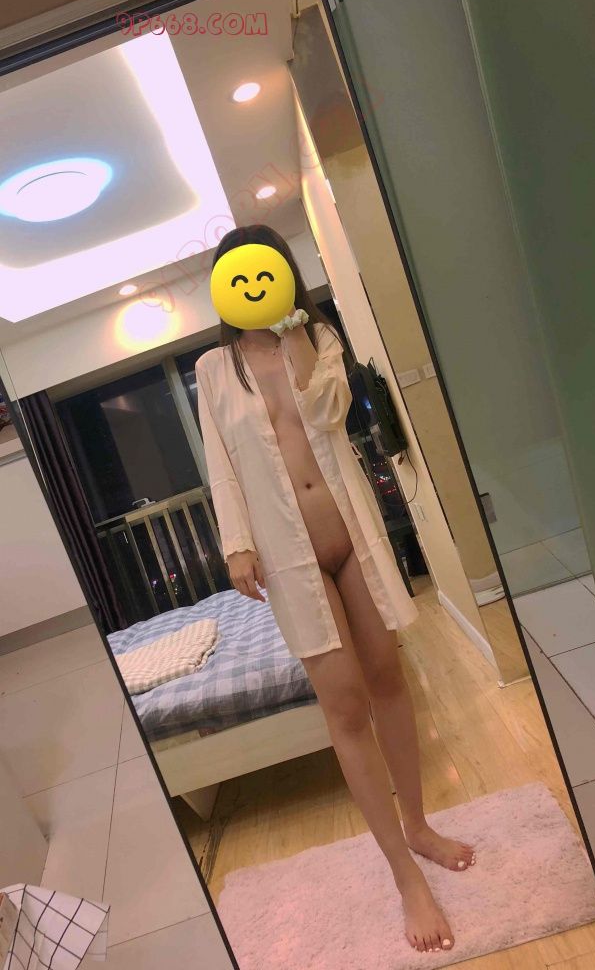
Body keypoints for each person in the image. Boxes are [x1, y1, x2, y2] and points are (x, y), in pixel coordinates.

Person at [195, 225, 476, 955]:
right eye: (238, 276)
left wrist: (294, 335)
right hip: (289, 556)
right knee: (345, 704)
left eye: (266, 272)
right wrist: (236, 545)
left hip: (350, 533)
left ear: (284, 274)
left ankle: (419, 826)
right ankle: (404, 875)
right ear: (225, 287)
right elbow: (221, 464)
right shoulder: (214, 368)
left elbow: (329, 413)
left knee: (387, 679)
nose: (253, 285)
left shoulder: (319, 338)